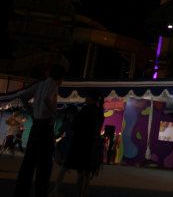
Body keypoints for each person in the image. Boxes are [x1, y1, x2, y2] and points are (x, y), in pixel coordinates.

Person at [14, 64, 66, 197]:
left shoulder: (39, 84)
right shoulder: (54, 84)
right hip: (45, 126)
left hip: (36, 126)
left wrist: (31, 111)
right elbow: (47, 98)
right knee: (44, 164)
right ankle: (40, 192)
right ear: (59, 77)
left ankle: (21, 191)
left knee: (28, 162)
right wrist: (54, 113)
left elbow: (23, 96)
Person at [63, 89, 105, 197]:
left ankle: (79, 193)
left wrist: (73, 120)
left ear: (90, 98)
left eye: (87, 97)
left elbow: (76, 126)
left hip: (83, 144)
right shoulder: (100, 111)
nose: (85, 99)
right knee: (87, 172)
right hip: (94, 145)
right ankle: (83, 193)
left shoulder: (86, 110)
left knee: (81, 172)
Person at [51, 105, 78, 196]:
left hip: (71, 148)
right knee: (64, 169)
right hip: (67, 147)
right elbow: (60, 133)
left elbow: (60, 134)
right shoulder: (68, 123)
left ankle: (56, 189)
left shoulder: (74, 123)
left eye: (68, 113)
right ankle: (56, 189)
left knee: (66, 169)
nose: (67, 115)